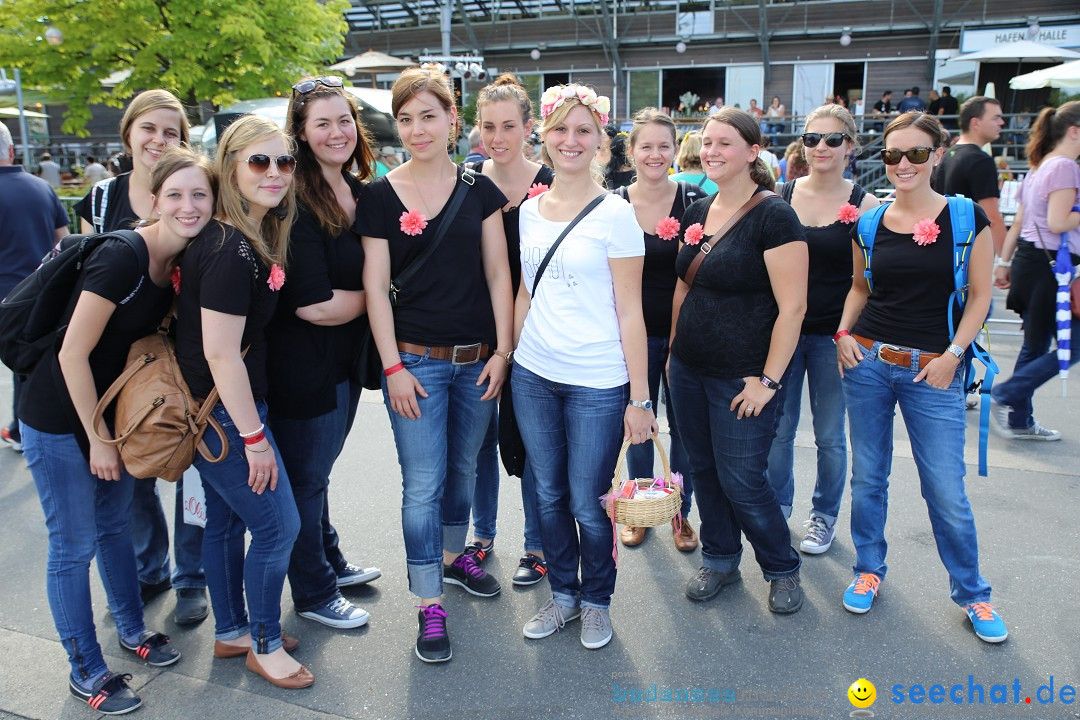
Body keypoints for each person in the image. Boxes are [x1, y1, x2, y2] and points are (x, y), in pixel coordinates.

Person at [20, 145, 205, 713]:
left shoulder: (178, 263)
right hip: (58, 415)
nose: (188, 205)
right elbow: (71, 354)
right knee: (72, 545)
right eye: (175, 194)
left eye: (200, 194)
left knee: (113, 527)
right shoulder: (124, 256)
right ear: (153, 201)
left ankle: (132, 630)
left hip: (109, 415)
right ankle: (85, 667)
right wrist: (98, 439)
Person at [357, 65, 513, 664]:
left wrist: (503, 351)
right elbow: (375, 289)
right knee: (422, 484)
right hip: (415, 364)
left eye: (429, 115)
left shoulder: (480, 191)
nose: (417, 129)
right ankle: (429, 605)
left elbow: (500, 274)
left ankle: (453, 558)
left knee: (464, 472)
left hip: (478, 361)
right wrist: (392, 367)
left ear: (453, 119)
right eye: (405, 118)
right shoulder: (378, 196)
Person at [835, 111, 1006, 643]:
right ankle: (868, 569)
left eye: (914, 153)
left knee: (945, 489)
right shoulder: (869, 221)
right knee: (868, 478)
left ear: (937, 154)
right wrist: (841, 334)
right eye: (892, 155)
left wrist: (955, 353)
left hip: (936, 369)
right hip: (867, 362)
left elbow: (981, 296)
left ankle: (974, 594)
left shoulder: (964, 217)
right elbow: (861, 288)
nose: (902, 164)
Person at [514, 82, 654, 650]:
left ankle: (597, 601)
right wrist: (508, 356)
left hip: (598, 380)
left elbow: (631, 313)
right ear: (543, 136)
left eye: (583, 130)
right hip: (533, 374)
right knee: (546, 495)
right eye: (560, 129)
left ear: (600, 141)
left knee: (587, 501)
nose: (570, 141)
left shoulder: (616, 213)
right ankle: (564, 596)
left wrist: (640, 400)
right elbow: (525, 294)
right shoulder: (528, 211)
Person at [176, 115, 312, 688]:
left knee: (228, 526)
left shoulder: (241, 236)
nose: (275, 173)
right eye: (259, 161)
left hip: (215, 412)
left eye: (284, 162)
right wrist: (255, 439)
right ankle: (260, 643)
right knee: (280, 528)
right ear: (231, 167)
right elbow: (222, 354)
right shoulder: (231, 246)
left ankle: (233, 630)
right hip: (227, 416)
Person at [71, 89, 208, 625]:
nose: (159, 139)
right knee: (134, 471)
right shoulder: (104, 198)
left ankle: (191, 577)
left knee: (192, 463)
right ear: (128, 133)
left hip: (182, 352)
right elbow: (82, 274)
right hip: (119, 363)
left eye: (171, 131)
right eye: (149, 128)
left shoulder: (199, 187)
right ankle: (151, 566)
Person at [669, 108, 808, 613]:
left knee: (743, 480)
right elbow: (684, 285)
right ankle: (721, 558)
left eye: (724, 143)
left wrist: (768, 381)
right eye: (706, 142)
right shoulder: (698, 210)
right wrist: (670, 355)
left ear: (753, 152)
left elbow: (793, 308)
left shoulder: (774, 215)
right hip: (687, 368)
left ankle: (781, 566)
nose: (711, 152)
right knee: (703, 470)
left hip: (743, 376)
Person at [267, 76, 382, 632]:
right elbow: (311, 305)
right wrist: (385, 300)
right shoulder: (293, 198)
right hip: (302, 363)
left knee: (318, 472)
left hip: (343, 361)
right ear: (302, 134)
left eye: (345, 121)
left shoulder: (360, 190)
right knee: (306, 479)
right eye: (323, 123)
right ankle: (313, 591)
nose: (338, 132)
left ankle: (328, 560)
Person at [765, 104, 879, 555]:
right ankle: (774, 511)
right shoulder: (781, 193)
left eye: (832, 139)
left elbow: (867, 283)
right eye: (812, 138)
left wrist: (849, 333)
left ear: (850, 147)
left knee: (831, 435)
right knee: (778, 429)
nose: (821, 148)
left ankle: (824, 515)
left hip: (836, 336)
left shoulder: (865, 205)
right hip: (784, 333)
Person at [463, 73, 555, 587]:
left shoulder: (551, 180)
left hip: (538, 332)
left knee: (532, 443)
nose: (497, 137)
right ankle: (480, 536)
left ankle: (536, 543)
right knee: (478, 440)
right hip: (480, 329)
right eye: (488, 126)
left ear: (528, 127)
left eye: (508, 126)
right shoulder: (467, 179)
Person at [615, 108, 703, 552]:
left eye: (663, 146)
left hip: (683, 336)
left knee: (684, 428)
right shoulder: (613, 203)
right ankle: (642, 503)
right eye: (645, 146)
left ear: (675, 149)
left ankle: (680, 512)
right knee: (638, 424)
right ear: (631, 152)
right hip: (629, 337)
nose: (655, 154)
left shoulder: (692, 201)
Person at [991, 101, 1080, 441]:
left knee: (1036, 343)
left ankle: (1019, 418)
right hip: (1049, 265)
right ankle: (1008, 396)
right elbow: (1059, 222)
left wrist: (1005, 262)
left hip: (1034, 262)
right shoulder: (1064, 168)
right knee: (1067, 344)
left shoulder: (1040, 167)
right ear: (1073, 130)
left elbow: (1020, 223)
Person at [0, 122, 69, 453]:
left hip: (5, 296)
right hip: (40, 294)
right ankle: (21, 429)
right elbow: (63, 240)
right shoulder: (42, 188)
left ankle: (20, 430)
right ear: (11, 150)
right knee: (27, 367)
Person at [932, 97, 1007, 255]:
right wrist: (1004, 260)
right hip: (969, 252)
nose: (1002, 122)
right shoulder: (980, 160)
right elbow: (992, 217)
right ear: (976, 123)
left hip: (944, 247)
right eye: (996, 118)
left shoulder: (948, 155)